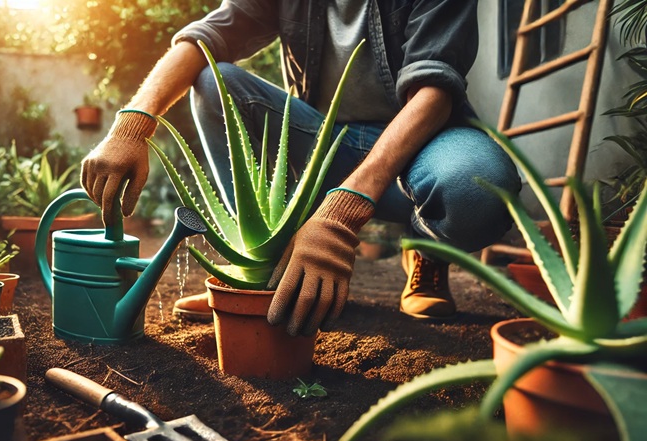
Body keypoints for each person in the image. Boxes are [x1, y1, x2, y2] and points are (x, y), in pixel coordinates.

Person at [80, 0, 521, 337]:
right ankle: (262, 274)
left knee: (477, 188)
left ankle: (427, 252)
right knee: (215, 82)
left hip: (423, 143)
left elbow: (433, 89)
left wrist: (341, 212)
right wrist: (133, 125)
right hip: (325, 143)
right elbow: (206, 37)